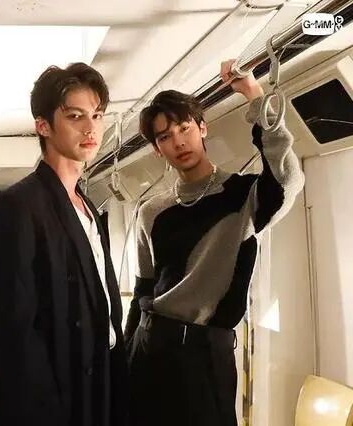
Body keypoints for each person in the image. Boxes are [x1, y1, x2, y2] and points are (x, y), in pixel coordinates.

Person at [124, 59, 305, 425]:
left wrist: (253, 93)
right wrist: (124, 358)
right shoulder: (150, 211)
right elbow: (143, 286)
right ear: (157, 149)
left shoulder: (243, 196)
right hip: (151, 344)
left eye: (184, 128)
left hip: (207, 353)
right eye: (165, 137)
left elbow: (287, 178)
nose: (178, 141)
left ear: (202, 127)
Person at [0, 62, 128, 426]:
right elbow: (12, 334)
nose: (91, 128)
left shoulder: (87, 206)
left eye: (96, 115)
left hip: (100, 378)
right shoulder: (15, 208)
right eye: (75, 116)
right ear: (43, 126)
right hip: (57, 392)